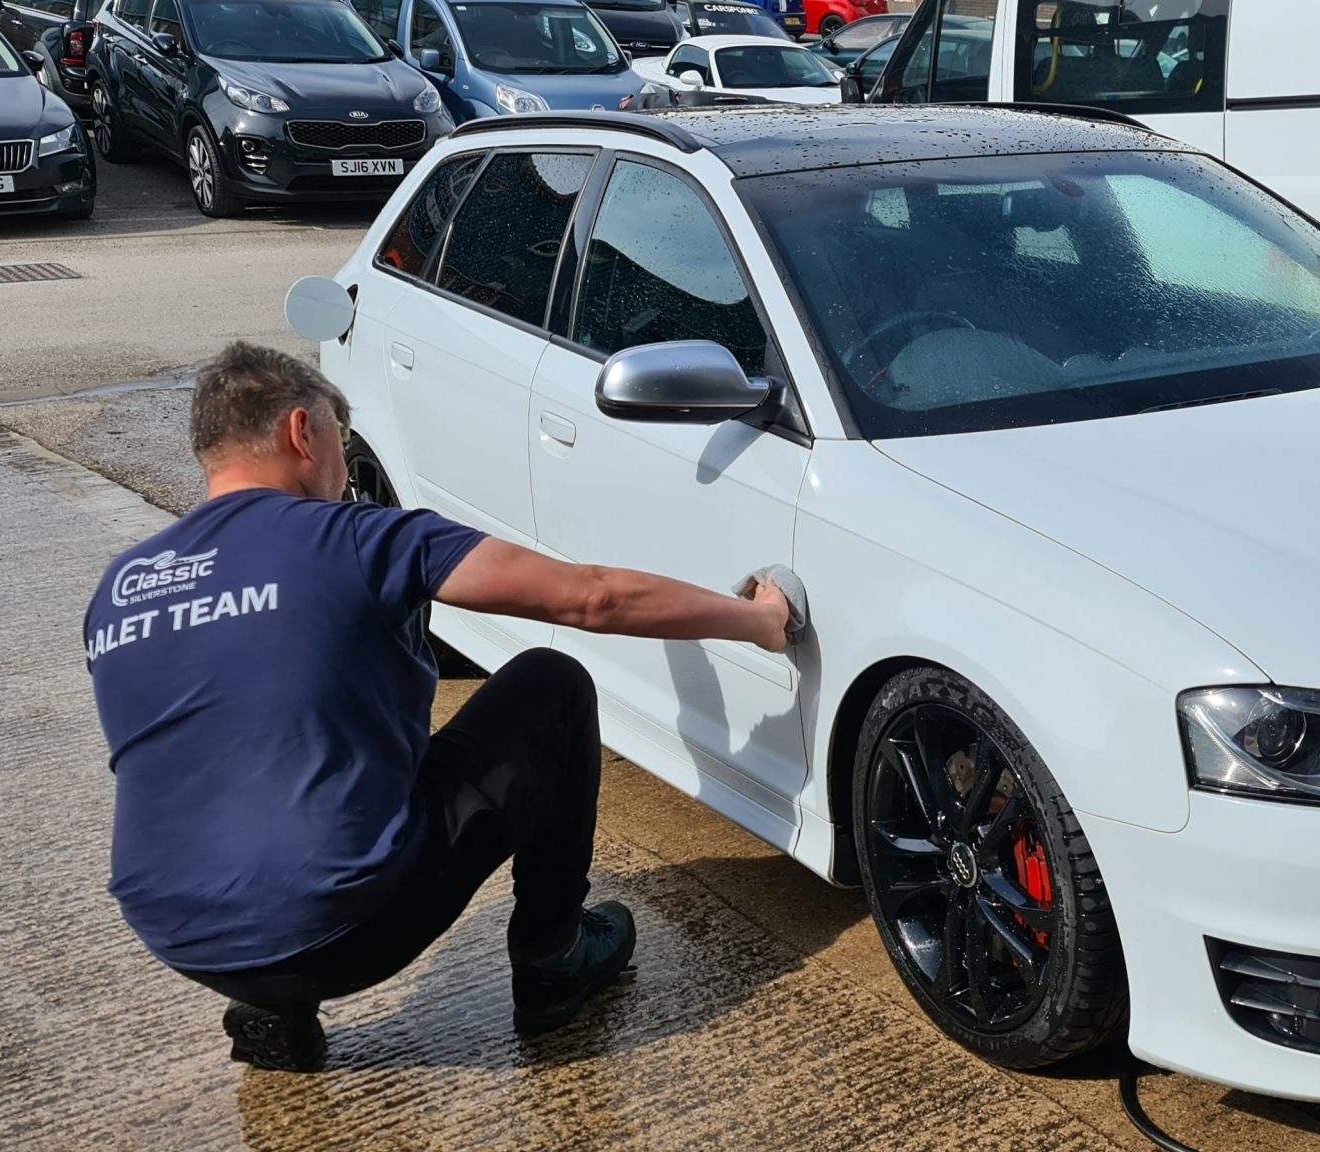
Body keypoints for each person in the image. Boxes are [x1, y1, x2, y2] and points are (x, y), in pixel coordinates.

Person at [82, 342, 794, 1071]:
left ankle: (271, 1006)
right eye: (339, 439)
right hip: (347, 925)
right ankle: (554, 959)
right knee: (550, 685)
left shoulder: (122, 587)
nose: (341, 468)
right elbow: (592, 597)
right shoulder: (358, 540)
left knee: (255, 756)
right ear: (303, 432)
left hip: (178, 934)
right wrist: (759, 621)